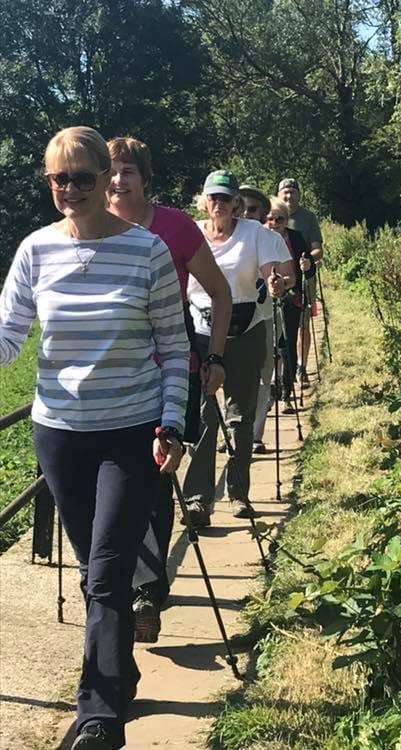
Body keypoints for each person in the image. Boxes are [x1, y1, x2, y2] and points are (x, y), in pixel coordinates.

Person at [0, 126, 189, 750]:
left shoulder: (147, 252)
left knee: (107, 572)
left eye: (82, 176)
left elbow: (174, 347)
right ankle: (120, 670)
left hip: (132, 433)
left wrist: (173, 421)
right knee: (93, 569)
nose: (71, 189)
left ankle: (99, 714)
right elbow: (8, 336)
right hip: (58, 433)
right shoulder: (35, 251)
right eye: (59, 179)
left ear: (106, 178)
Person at [106, 137, 232, 644]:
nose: (117, 181)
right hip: (109, 381)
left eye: (126, 171)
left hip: (166, 372)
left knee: (155, 479)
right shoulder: (88, 229)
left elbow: (220, 294)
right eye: (109, 171)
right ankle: (127, 586)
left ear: (144, 176)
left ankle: (144, 594)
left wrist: (217, 357)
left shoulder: (176, 227)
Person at [185, 170, 293, 527]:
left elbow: (276, 272)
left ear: (236, 204)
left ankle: (238, 493)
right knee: (203, 416)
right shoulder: (192, 234)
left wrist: (276, 282)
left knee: (240, 416)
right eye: (212, 198)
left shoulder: (256, 234)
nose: (219, 205)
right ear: (203, 201)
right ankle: (198, 499)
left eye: (226, 199)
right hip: (200, 332)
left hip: (246, 329)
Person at [239, 184, 293, 453]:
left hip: (265, 315)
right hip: (230, 318)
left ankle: (254, 435)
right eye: (241, 207)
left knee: (263, 377)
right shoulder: (219, 238)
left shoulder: (272, 239)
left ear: (262, 213)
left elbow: (289, 276)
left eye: (252, 209)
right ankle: (235, 429)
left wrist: (280, 283)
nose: (246, 214)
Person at [265, 198, 316, 414]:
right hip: (265, 299)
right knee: (269, 348)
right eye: (270, 219)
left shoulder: (296, 238)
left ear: (286, 221)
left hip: (291, 296)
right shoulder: (260, 239)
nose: (275, 223)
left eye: (280, 219)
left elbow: (310, 270)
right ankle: (269, 391)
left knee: (287, 345)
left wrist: (307, 265)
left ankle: (286, 393)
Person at [277, 178, 323, 384]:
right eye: (285, 192)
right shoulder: (272, 216)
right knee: (278, 328)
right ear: (279, 195)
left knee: (302, 324)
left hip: (303, 277)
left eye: (293, 192)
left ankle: (301, 367)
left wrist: (308, 260)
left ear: (299, 195)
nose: (289, 196)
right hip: (277, 278)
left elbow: (318, 249)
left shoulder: (308, 218)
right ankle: (279, 374)